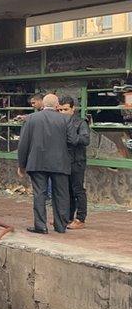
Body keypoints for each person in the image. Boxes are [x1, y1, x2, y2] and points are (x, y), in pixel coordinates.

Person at [17, 94, 73, 234]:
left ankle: (40, 226)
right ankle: (61, 226)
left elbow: (23, 143)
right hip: (60, 163)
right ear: (57, 105)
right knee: (61, 195)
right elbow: (72, 141)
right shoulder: (65, 119)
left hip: (37, 162)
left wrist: (21, 164)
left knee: (39, 194)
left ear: (43, 104)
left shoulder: (31, 119)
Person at [58, 96, 90, 230]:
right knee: (68, 191)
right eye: (60, 110)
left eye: (65, 109)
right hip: (64, 160)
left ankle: (80, 218)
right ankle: (68, 217)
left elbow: (85, 140)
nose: (63, 112)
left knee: (78, 190)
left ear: (73, 109)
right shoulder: (59, 122)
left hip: (77, 161)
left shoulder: (80, 123)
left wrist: (72, 137)